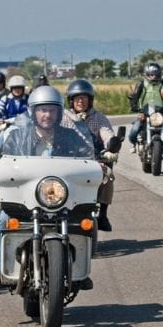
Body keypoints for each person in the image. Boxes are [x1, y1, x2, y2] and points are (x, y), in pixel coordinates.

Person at [0, 86, 97, 284]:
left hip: (61, 198)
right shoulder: (17, 137)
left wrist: (98, 164)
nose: (47, 115)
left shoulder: (71, 137)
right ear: (33, 112)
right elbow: (3, 159)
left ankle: (82, 268)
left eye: (52, 110)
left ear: (58, 112)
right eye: (42, 110)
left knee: (88, 220)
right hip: (27, 199)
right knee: (3, 218)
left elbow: (86, 156)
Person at [62, 79, 117, 231]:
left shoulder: (98, 118)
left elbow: (107, 133)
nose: (81, 101)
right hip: (65, 162)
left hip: (92, 161)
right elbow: (52, 136)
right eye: (77, 98)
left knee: (108, 175)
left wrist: (111, 144)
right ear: (71, 100)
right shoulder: (62, 117)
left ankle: (103, 215)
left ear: (90, 100)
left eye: (84, 98)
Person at [127, 62, 163, 158]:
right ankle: (134, 145)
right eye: (151, 75)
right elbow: (135, 95)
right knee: (135, 129)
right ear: (147, 74)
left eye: (156, 75)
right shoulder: (141, 83)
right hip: (145, 111)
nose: (154, 77)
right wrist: (134, 106)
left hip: (160, 111)